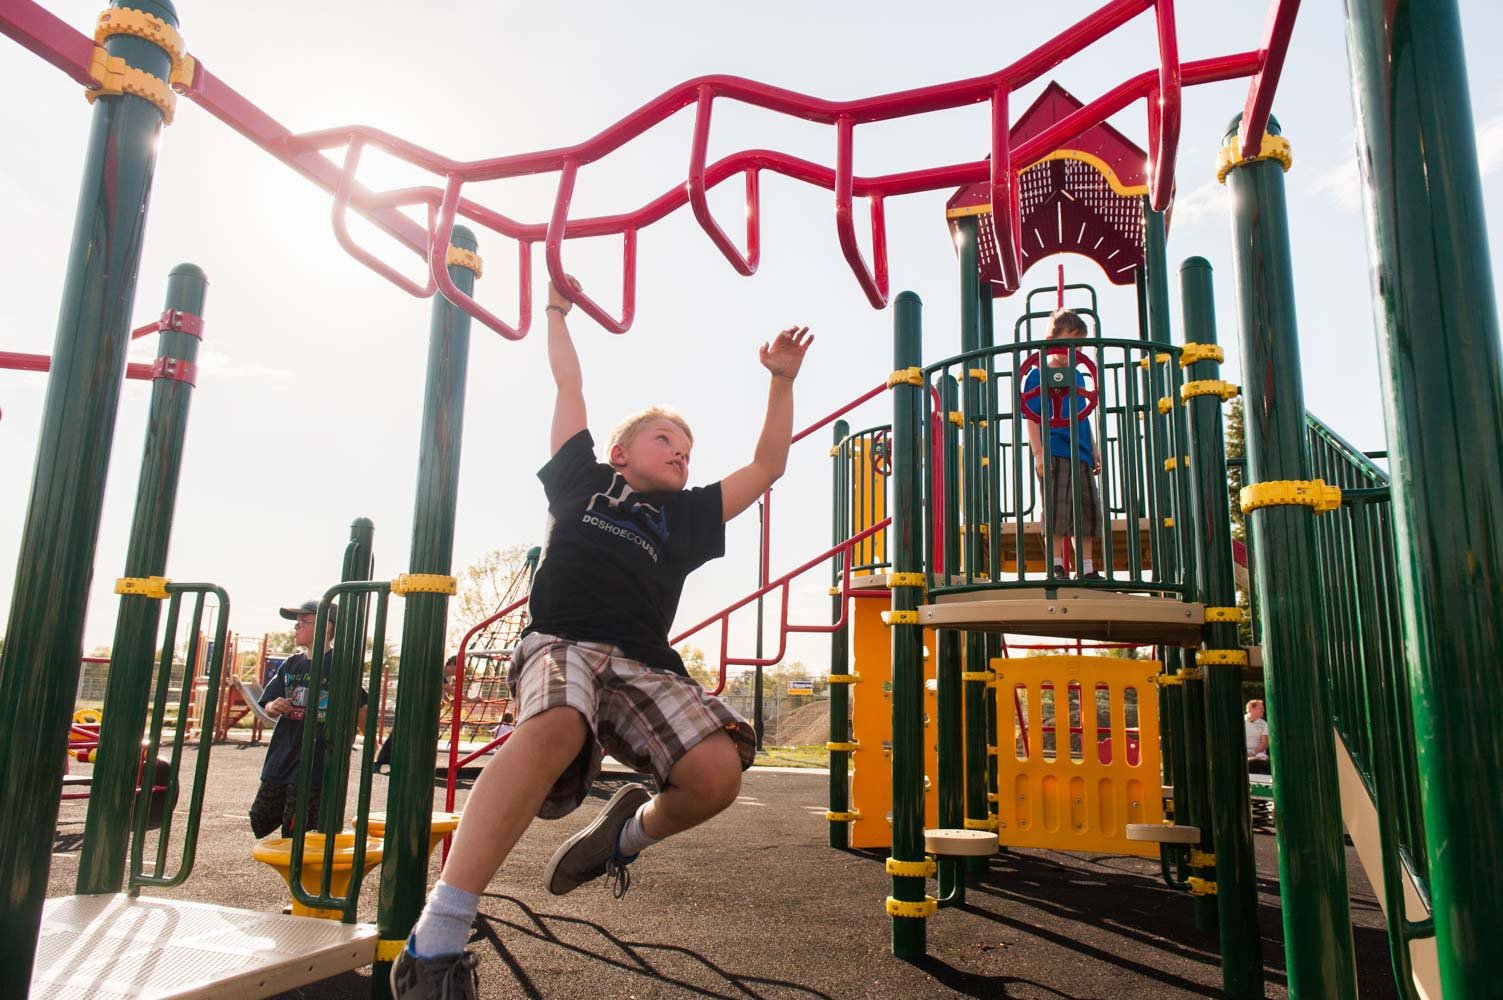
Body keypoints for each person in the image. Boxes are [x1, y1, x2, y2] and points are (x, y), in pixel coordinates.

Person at [389, 278, 813, 997]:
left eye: (688, 447)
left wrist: (780, 382)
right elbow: (568, 385)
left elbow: (767, 466)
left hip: (645, 661)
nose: (682, 453)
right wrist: (555, 313)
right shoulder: (581, 482)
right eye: (665, 439)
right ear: (619, 451)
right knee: (555, 722)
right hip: (562, 641)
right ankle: (435, 939)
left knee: (715, 777)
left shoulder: (685, 519)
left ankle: (622, 835)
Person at [249, 600, 367, 839]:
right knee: (260, 820)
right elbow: (268, 704)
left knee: (297, 833)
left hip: (315, 763)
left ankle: (300, 874)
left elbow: (361, 704)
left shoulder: (340, 665)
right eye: (297, 623)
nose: (296, 628)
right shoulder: (291, 663)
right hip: (282, 757)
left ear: (326, 626)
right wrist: (275, 705)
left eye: (304, 622)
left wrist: (369, 739)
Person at [1022, 308, 1102, 580]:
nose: (1073, 348)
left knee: (1087, 510)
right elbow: (1032, 417)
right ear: (1052, 339)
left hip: (1080, 451)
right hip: (1054, 449)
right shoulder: (1037, 374)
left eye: (1079, 344)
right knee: (1057, 509)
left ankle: (1088, 568)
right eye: (1069, 341)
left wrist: (1093, 447)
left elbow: (1083, 414)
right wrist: (1038, 452)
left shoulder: (1079, 376)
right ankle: (1056, 565)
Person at [374, 654, 457, 774]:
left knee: (414, 736)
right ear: (452, 664)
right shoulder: (439, 671)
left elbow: (443, 693)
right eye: (459, 667)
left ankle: (399, 762)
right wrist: (471, 700)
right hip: (414, 706)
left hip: (424, 710)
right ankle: (380, 762)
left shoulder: (448, 677)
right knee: (399, 733)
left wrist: (449, 702)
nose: (460, 671)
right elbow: (450, 690)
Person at [1245, 698, 1270, 773]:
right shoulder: (1239, 721)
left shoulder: (1264, 724)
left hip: (1258, 755)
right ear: (1250, 708)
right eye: (1260, 708)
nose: (1263, 711)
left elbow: (1264, 743)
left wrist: (1252, 753)